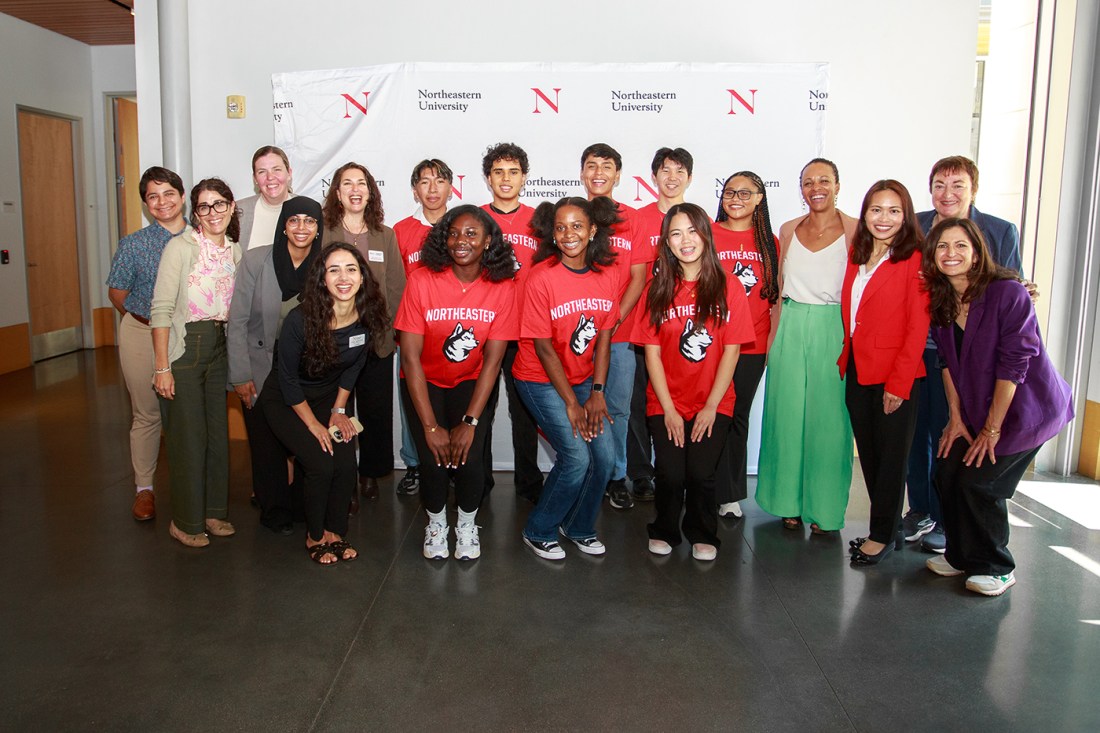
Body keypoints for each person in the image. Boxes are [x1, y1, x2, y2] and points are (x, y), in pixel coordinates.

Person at [922, 217, 1072, 595]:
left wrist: (991, 429)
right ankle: (961, 555)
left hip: (1027, 410)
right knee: (947, 471)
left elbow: (1014, 366)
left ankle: (996, 566)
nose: (951, 253)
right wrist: (956, 419)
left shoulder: (1008, 293)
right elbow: (946, 363)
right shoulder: (942, 299)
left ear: (977, 254)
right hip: (977, 407)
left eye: (960, 245)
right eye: (942, 246)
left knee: (982, 482)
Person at [906, 156, 1025, 553]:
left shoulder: (1000, 231)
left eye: (957, 185)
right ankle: (920, 509)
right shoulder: (914, 225)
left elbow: (1011, 285)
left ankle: (946, 520)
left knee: (951, 432)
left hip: (965, 354)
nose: (948, 193)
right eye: (939, 185)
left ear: (974, 190)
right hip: (919, 346)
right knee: (915, 435)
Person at [396, 205, 518, 560]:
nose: (460, 241)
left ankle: (466, 523)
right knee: (433, 457)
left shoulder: (502, 287)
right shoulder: (421, 280)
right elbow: (409, 358)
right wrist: (430, 427)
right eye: (453, 233)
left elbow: (493, 361)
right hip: (424, 380)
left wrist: (470, 422)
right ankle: (436, 523)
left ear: (488, 240)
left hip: (471, 380)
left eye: (471, 234)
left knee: (471, 457)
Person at [636, 203, 754, 560]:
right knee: (670, 474)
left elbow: (732, 351)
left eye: (692, 231)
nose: (685, 240)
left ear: (705, 234)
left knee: (701, 473)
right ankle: (664, 529)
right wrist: (668, 410)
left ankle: (702, 532)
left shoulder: (729, 285)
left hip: (713, 400)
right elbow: (652, 354)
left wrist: (712, 406)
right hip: (666, 400)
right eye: (675, 233)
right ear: (666, 242)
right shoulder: (656, 289)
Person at [259, 243, 389, 565]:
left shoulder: (368, 314)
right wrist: (314, 425)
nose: (343, 278)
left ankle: (335, 531)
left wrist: (338, 411)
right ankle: (315, 536)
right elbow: (287, 379)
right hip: (286, 399)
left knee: (345, 464)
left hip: (329, 398)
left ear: (362, 277)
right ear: (322, 278)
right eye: (334, 270)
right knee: (320, 463)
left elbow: (354, 367)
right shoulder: (299, 319)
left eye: (351, 269)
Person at [513, 196, 621, 560]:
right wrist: (572, 403)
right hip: (538, 378)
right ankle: (538, 529)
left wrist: (597, 392)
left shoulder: (607, 276)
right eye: (560, 228)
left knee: (604, 458)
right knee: (576, 457)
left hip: (583, 378)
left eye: (577, 226)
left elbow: (603, 340)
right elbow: (543, 348)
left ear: (592, 231)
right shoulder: (541, 277)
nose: (568, 234)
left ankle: (578, 526)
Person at [756, 158, 856, 533]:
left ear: (837, 186)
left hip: (834, 328)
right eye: (808, 182)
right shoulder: (787, 230)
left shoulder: (857, 231)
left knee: (830, 423)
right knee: (785, 417)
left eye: (824, 180)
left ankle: (825, 511)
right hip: (790, 324)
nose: (816, 187)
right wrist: (772, 338)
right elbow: (777, 288)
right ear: (801, 189)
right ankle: (786, 502)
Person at [840, 180, 931, 566]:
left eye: (894, 211)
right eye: (876, 209)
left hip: (896, 374)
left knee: (892, 460)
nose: (884, 218)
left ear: (906, 216)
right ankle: (888, 528)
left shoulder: (915, 259)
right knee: (872, 457)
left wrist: (900, 383)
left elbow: (917, 327)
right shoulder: (857, 252)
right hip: (858, 368)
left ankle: (881, 537)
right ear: (865, 213)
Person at [150, 178, 242, 548]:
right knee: (189, 437)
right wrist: (162, 367)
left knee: (217, 436)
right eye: (204, 206)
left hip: (219, 347)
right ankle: (185, 522)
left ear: (231, 207)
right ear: (196, 213)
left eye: (219, 204)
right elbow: (161, 309)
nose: (213, 212)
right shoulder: (180, 247)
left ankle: (213, 512)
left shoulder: (234, 251)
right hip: (185, 348)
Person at [227, 196, 322, 534]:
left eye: (309, 221)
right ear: (284, 225)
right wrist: (240, 375)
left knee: (304, 441)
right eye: (294, 220)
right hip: (260, 367)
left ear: (318, 228)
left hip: (305, 370)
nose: (301, 227)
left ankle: (302, 506)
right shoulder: (256, 260)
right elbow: (237, 321)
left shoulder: (325, 265)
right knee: (266, 445)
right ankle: (274, 511)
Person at [106, 166, 189, 522]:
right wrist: (149, 322)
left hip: (188, 335)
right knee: (147, 413)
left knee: (187, 414)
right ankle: (144, 489)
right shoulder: (134, 244)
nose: (162, 201)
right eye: (153, 196)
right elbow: (117, 293)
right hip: (141, 331)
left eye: (168, 193)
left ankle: (192, 489)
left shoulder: (203, 238)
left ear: (182, 196)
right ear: (145, 204)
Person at [321, 162, 406, 501]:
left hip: (376, 339)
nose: (355, 189)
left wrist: (394, 332)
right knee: (338, 411)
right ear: (337, 192)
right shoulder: (324, 232)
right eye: (347, 183)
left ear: (370, 192)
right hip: (334, 339)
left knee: (375, 410)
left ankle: (369, 473)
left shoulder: (385, 235)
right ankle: (343, 478)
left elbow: (396, 287)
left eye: (361, 183)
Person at [626, 147, 695, 504]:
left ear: (689, 178)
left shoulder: (698, 220)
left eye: (680, 170)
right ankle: (641, 472)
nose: (672, 177)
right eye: (665, 170)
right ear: (653, 177)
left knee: (681, 397)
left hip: (685, 329)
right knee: (638, 401)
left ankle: (679, 468)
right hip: (643, 326)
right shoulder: (637, 219)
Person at [711, 171, 780, 519]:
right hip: (712, 344)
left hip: (752, 345)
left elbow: (774, 298)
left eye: (745, 193)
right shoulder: (707, 233)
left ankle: (730, 493)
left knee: (737, 415)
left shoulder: (770, 241)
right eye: (729, 192)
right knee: (707, 412)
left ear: (759, 199)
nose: (735, 198)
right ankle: (701, 484)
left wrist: (771, 343)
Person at [480, 142, 543, 504]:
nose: (506, 179)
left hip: (525, 333)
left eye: (513, 171)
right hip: (485, 331)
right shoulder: (475, 218)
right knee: (481, 410)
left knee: (525, 413)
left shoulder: (539, 221)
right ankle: (479, 480)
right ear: (488, 178)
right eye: (498, 172)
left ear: (524, 177)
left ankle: (529, 483)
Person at [579, 143, 641, 511]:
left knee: (616, 407)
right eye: (591, 165)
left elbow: (639, 276)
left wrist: (615, 317)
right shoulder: (571, 214)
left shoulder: (633, 219)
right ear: (582, 173)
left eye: (606, 166)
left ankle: (616, 475)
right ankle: (584, 470)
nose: (598, 172)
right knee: (577, 404)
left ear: (618, 175)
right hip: (577, 334)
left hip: (620, 334)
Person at [390, 159, 455, 497]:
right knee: (412, 402)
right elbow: (395, 285)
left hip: (456, 332)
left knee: (455, 399)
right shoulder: (400, 231)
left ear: (450, 188)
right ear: (415, 190)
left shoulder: (463, 225)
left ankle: (454, 463)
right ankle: (415, 463)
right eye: (425, 182)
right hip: (413, 334)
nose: (432, 188)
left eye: (439, 181)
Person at [238, 146, 294, 249]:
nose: (270, 177)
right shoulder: (238, 212)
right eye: (262, 172)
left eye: (277, 170)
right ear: (255, 178)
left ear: (289, 173)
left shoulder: (309, 210)